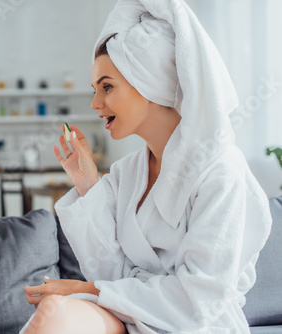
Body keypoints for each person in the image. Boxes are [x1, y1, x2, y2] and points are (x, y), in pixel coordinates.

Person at [22, 0, 272, 333]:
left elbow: (199, 300)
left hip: (194, 324)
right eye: (95, 89)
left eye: (107, 86)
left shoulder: (220, 170)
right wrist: (87, 184)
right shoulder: (128, 173)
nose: (95, 104)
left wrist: (83, 290)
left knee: (58, 312)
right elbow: (109, 275)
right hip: (132, 312)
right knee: (54, 311)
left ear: (150, 83)